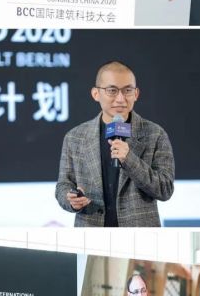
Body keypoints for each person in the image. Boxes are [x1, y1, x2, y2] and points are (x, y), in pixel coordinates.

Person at [55, 60, 175, 227]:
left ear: (136, 94)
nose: (120, 99)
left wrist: (129, 159)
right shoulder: (75, 137)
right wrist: (71, 199)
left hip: (140, 234)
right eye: (112, 91)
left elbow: (165, 189)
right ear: (96, 94)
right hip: (91, 230)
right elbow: (63, 185)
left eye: (127, 90)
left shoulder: (155, 134)